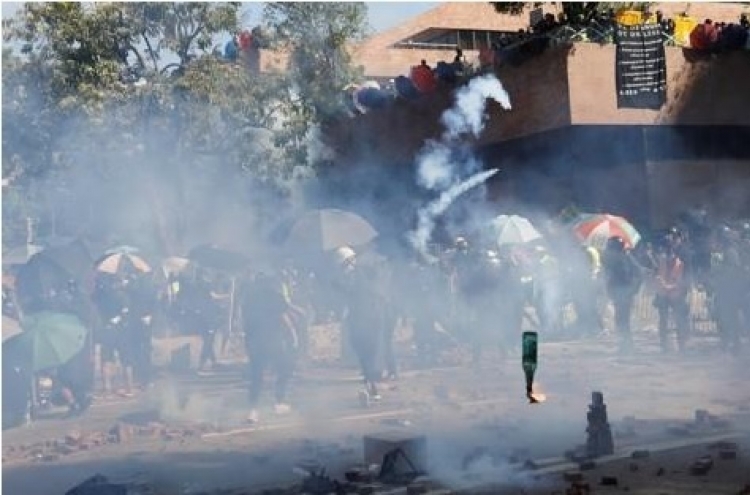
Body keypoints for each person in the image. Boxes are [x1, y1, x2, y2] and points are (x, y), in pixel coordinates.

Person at [241, 269, 297, 423]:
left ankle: (253, 411)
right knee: (285, 368)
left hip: (254, 341)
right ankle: (279, 402)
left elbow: (245, 320)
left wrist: (247, 342)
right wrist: (293, 334)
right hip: (273, 339)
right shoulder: (274, 295)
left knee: (257, 376)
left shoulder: (249, 298)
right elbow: (283, 316)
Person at [602, 237, 642, 353]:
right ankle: (624, 345)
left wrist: (633, 290)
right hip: (619, 294)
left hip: (625, 294)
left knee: (623, 321)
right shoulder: (615, 260)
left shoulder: (626, 258)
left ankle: (627, 346)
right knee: (620, 320)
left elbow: (639, 274)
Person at [654, 239, 690, 353]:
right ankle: (664, 346)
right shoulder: (661, 262)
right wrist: (660, 282)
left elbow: (680, 282)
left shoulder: (680, 264)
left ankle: (681, 346)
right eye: (668, 251)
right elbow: (658, 276)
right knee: (663, 322)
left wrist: (668, 287)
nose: (670, 255)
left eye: (671, 252)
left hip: (676, 295)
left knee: (679, 321)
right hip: (663, 295)